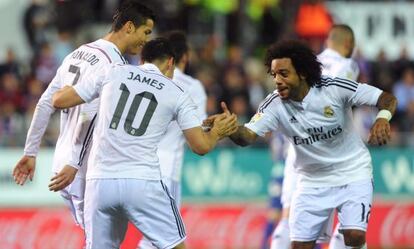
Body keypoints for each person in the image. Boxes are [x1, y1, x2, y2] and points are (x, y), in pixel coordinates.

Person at [51, 38, 238, 249]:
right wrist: (217, 132)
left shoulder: (112, 71)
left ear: (142, 59)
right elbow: (201, 146)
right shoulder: (177, 92)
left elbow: (59, 100)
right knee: (175, 246)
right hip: (142, 181)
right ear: (170, 63)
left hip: (100, 182)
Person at [219, 40, 396, 249]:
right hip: (312, 181)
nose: (277, 80)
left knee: (354, 235)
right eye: (274, 74)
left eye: (284, 73)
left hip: (352, 172)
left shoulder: (334, 87)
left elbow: (386, 98)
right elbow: (246, 136)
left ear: (302, 72)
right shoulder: (274, 104)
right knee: (299, 246)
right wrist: (230, 129)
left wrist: (383, 118)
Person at [13, 0, 155, 231]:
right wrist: (75, 163)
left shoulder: (77, 53)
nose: (146, 40)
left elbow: (45, 103)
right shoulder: (114, 66)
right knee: (100, 240)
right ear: (129, 27)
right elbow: (90, 113)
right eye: (145, 32)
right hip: (84, 169)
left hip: (61, 163)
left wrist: (31, 152)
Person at [271, 24, 360, 249]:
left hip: (298, 149)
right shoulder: (346, 65)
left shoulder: (303, 66)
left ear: (328, 42)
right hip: (329, 153)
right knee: (347, 224)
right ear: (348, 45)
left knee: (289, 220)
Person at [138, 31, 207, 249]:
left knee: (151, 239)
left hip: (134, 168)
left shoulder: (135, 79)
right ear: (183, 57)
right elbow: (199, 138)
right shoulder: (191, 87)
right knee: (171, 240)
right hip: (166, 171)